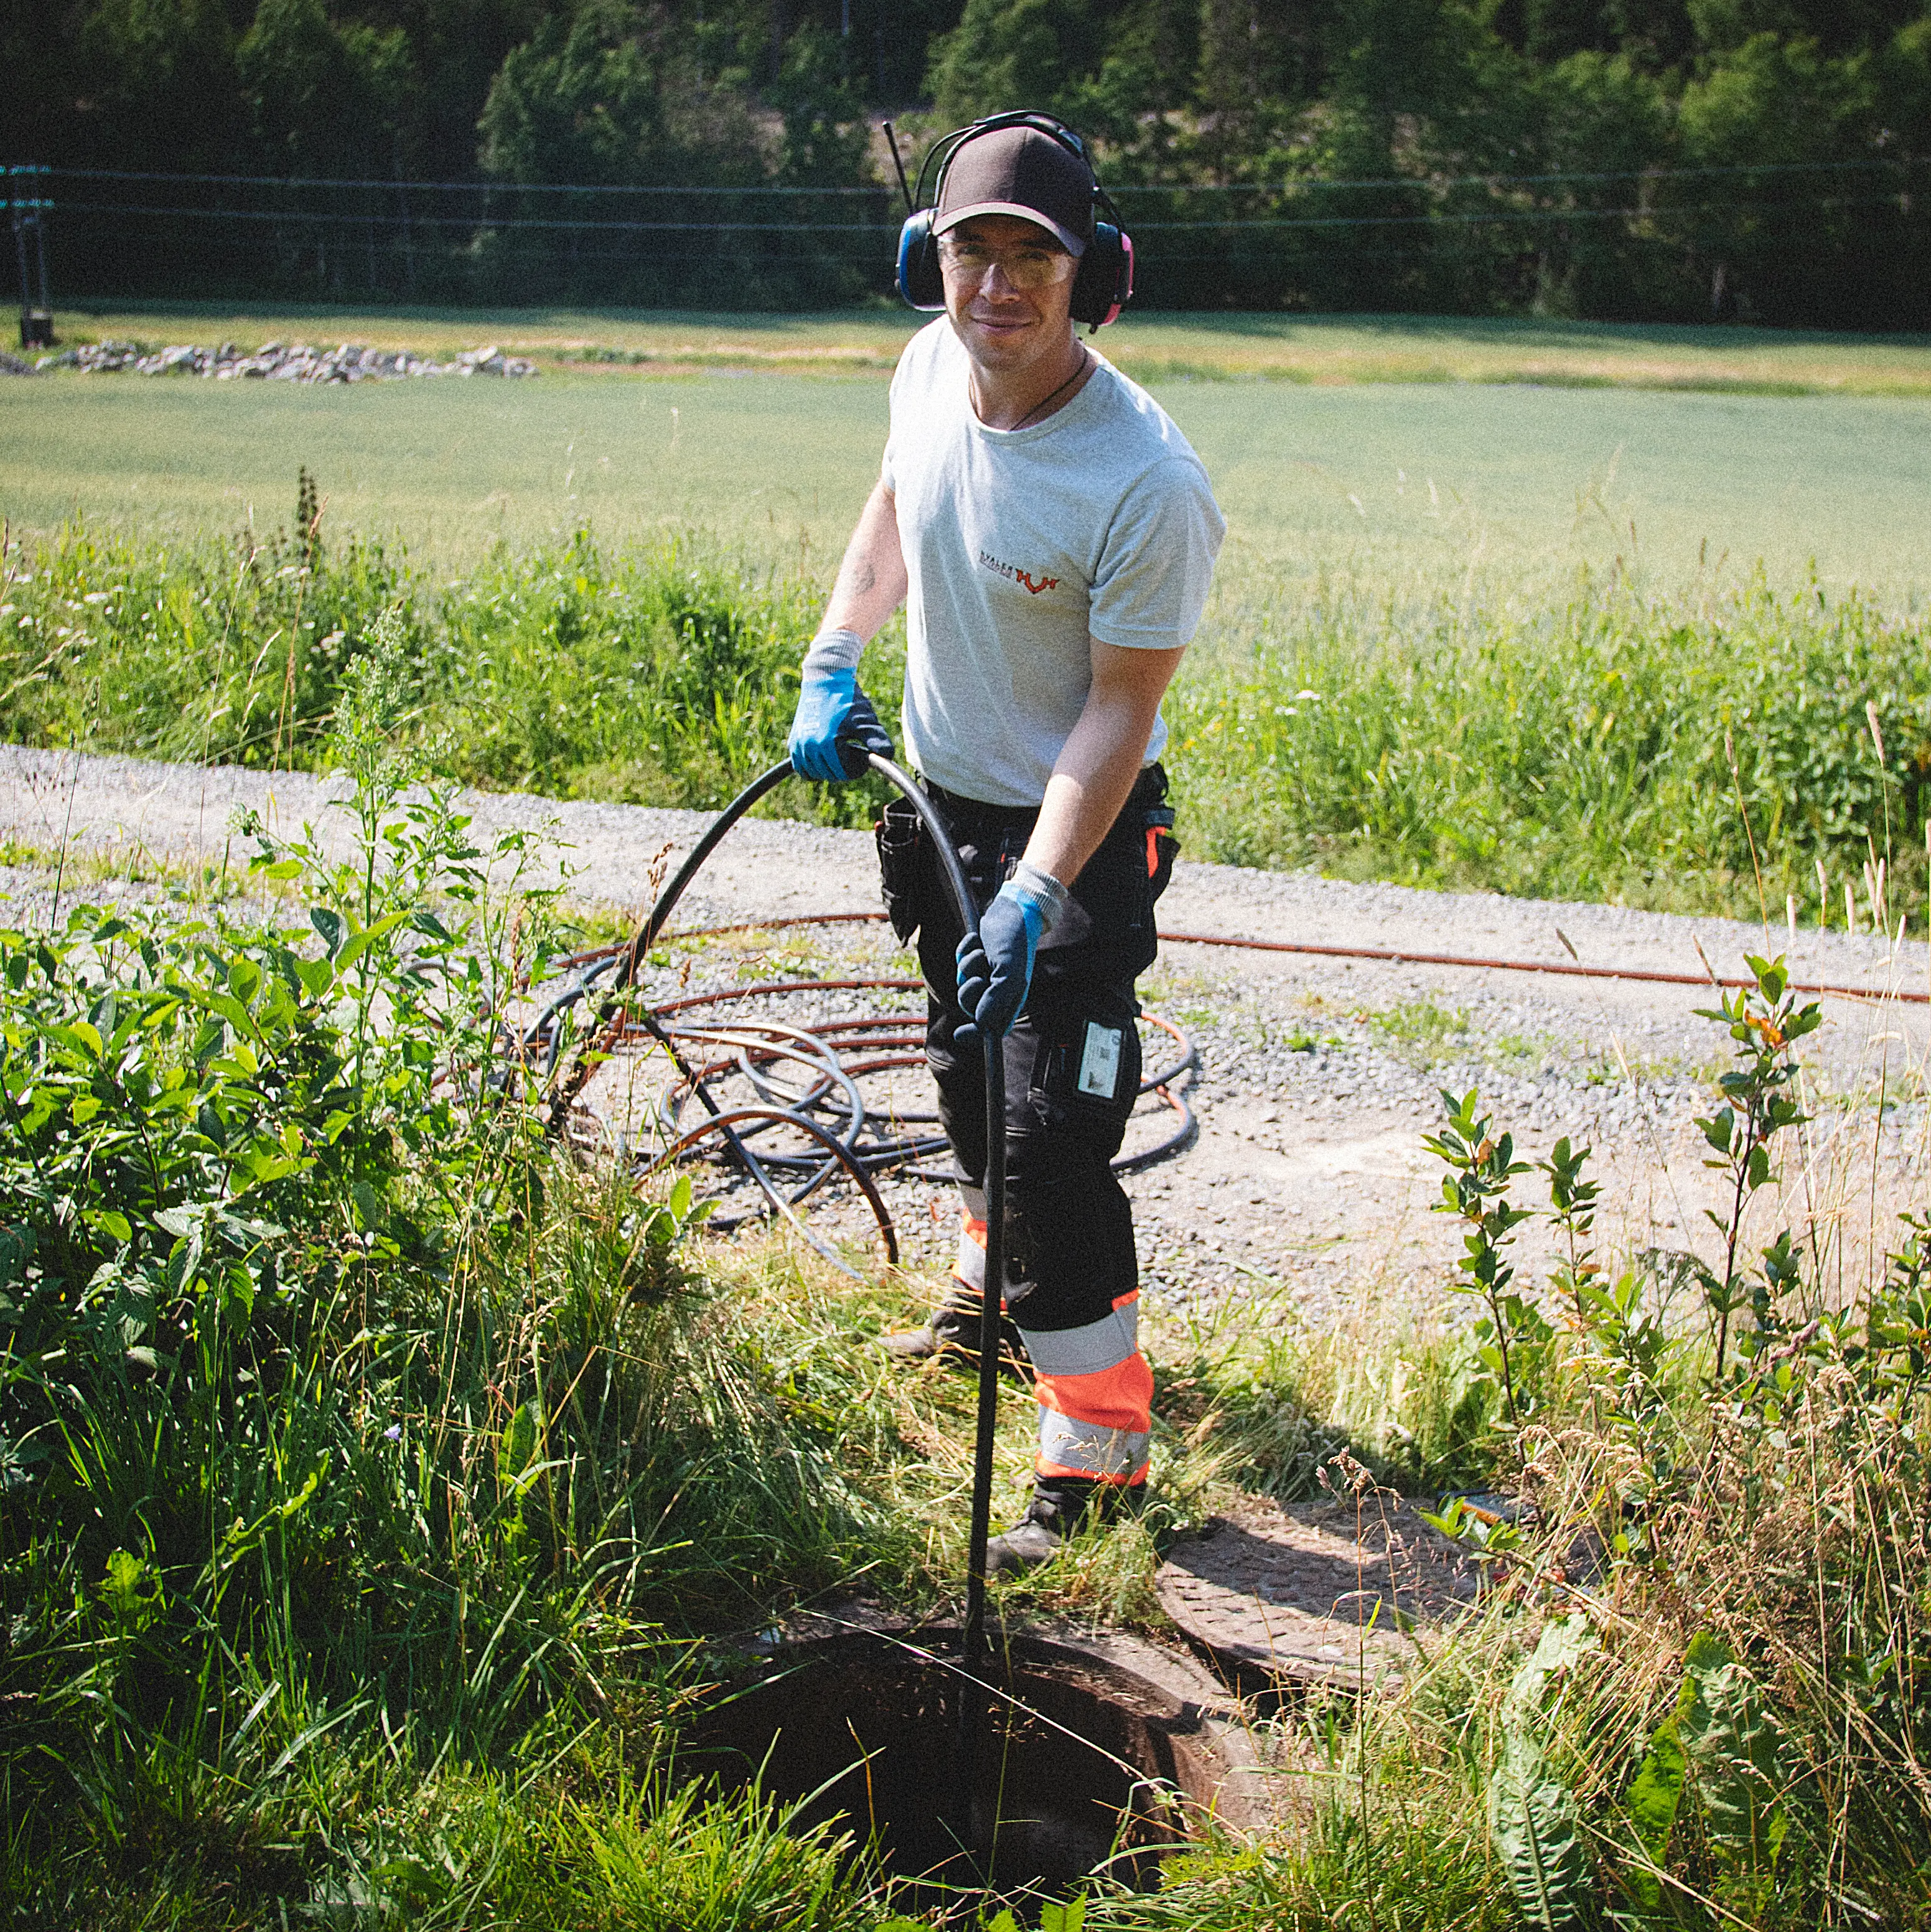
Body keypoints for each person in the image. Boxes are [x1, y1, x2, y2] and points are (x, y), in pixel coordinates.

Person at [786, 112, 1224, 1573]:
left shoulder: (1144, 480)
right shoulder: (926, 369)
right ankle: (993, 1298)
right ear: (934, 260)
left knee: (1048, 1144)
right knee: (970, 1079)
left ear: (1091, 272)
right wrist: (835, 649)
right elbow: (898, 501)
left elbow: (1120, 706)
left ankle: (1096, 1450)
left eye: (1033, 257)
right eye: (972, 251)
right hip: (939, 812)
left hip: (1077, 851)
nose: (997, 287)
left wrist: (1041, 885)